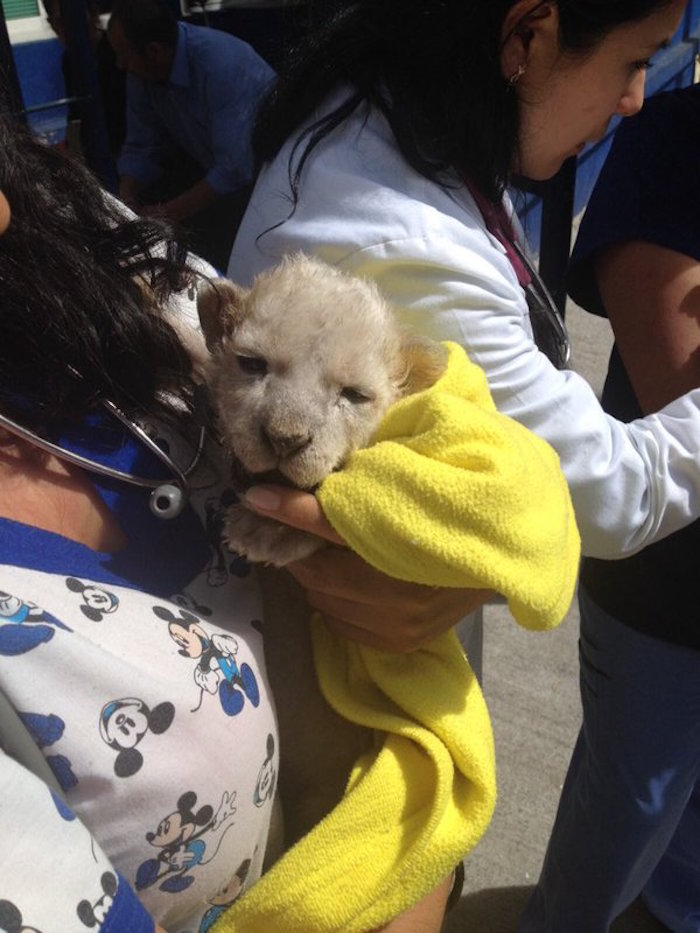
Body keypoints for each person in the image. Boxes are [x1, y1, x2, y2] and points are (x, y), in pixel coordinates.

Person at [0, 114, 469, 932]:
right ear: (225, 335)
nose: (286, 425)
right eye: (250, 367)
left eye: (354, 396)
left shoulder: (85, 229)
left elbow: (492, 487)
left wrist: (454, 563)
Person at [227, 0, 696, 702]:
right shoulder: (410, 245)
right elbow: (608, 496)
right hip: (344, 687)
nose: (634, 98)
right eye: (634, 60)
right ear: (529, 34)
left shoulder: (387, 115)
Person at [519, 81, 700, 932]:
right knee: (630, 802)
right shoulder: (674, 136)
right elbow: (676, 387)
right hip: (668, 585)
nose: (628, 90)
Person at [108, 0, 275, 270]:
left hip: (273, 179)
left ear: (155, 51)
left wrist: (164, 215)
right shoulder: (142, 74)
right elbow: (142, 146)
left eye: (124, 55)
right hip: (220, 179)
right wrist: (126, 203)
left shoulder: (221, 65)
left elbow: (233, 170)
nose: (119, 65)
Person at [40, 0, 127, 158]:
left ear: (92, 13)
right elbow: (75, 113)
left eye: (74, 18)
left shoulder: (116, 50)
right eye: (60, 22)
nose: (69, 29)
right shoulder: (69, 60)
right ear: (52, 25)